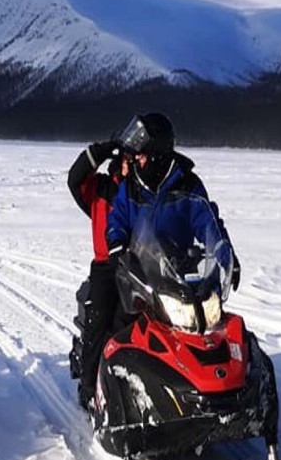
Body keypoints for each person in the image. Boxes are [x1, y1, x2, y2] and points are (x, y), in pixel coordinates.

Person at [105, 112, 240, 286]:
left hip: (180, 277)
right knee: (119, 311)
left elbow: (208, 223)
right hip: (138, 276)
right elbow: (118, 219)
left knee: (209, 311)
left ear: (157, 155)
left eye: (142, 156)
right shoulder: (131, 185)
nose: (137, 160)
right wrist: (117, 244)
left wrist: (226, 256)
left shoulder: (188, 185)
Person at [67, 135, 128, 409]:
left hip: (137, 267)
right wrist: (102, 149)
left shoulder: (141, 191)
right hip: (105, 267)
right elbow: (75, 178)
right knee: (100, 322)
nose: (130, 166)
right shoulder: (100, 188)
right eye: (126, 161)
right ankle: (90, 388)